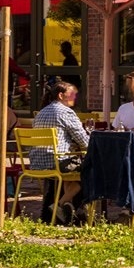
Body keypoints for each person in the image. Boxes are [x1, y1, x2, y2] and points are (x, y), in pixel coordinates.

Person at [32, 78, 89, 223]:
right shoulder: (66, 113)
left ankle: (67, 213)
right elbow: (85, 142)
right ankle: (60, 204)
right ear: (60, 95)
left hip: (37, 163)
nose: (75, 97)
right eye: (71, 94)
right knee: (92, 170)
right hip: (57, 162)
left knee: (72, 171)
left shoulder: (41, 113)